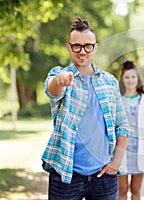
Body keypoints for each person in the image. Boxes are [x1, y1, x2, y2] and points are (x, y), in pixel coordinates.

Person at [41, 17, 129, 200]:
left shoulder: (109, 81)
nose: (82, 51)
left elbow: (122, 125)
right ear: (69, 47)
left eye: (88, 46)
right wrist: (61, 81)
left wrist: (116, 163)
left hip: (103, 175)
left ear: (95, 47)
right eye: (77, 46)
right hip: (66, 173)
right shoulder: (59, 74)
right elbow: (52, 89)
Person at [118, 61, 144, 200]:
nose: (130, 80)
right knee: (122, 190)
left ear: (138, 79)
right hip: (122, 151)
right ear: (122, 79)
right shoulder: (118, 99)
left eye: (133, 77)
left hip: (140, 150)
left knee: (136, 190)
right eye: (127, 77)